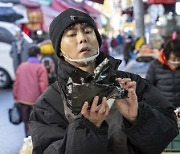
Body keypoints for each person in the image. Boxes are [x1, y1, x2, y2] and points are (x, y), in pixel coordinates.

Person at [29, 8, 178, 154]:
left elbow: (168, 132)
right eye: (72, 34)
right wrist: (89, 127)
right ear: (59, 49)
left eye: (88, 31)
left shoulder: (129, 83)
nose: (82, 38)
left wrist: (137, 118)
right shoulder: (49, 102)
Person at [13, 45, 49, 137]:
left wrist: (16, 97)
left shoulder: (21, 66)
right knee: (36, 124)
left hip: (22, 100)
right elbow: (43, 86)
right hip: (35, 102)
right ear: (38, 55)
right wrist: (46, 101)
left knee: (26, 123)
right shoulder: (41, 68)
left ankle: (28, 143)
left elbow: (16, 83)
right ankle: (35, 143)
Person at [146, 37, 180, 108]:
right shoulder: (155, 66)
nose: (176, 62)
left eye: (179, 59)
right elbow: (148, 89)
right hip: (164, 109)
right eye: (173, 59)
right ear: (166, 56)